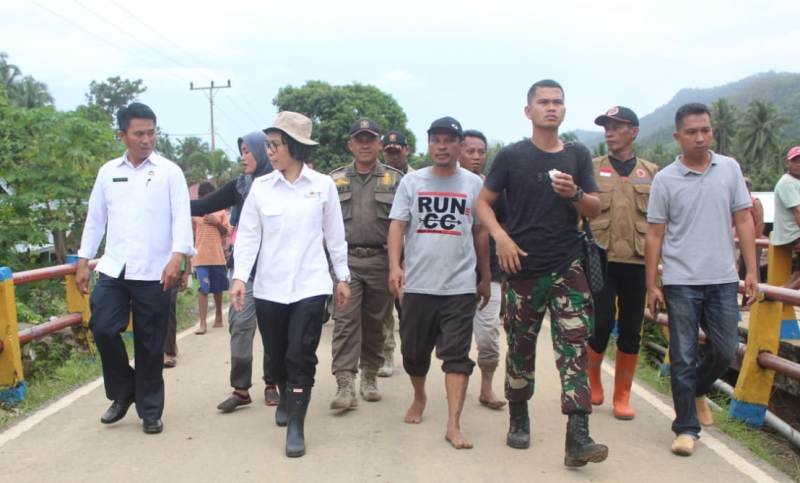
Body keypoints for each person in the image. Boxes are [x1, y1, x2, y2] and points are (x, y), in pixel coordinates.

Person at [475, 79, 608, 467]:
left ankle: (578, 435)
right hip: (522, 268)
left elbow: (595, 207)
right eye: (544, 102)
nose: (551, 107)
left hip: (568, 264)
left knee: (574, 347)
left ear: (564, 110)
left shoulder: (578, 154)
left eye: (557, 102)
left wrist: (575, 194)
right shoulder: (512, 156)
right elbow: (482, 204)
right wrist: (501, 237)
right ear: (528, 111)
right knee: (520, 346)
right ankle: (518, 416)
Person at [232, 111, 350, 457]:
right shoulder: (261, 188)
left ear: (295, 147)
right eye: (268, 144)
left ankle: (297, 424)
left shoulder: (322, 186)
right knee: (276, 354)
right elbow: (248, 236)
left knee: (301, 354)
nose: (269, 151)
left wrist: (342, 277)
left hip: (310, 286)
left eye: (275, 145)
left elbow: (335, 236)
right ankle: (284, 394)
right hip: (269, 288)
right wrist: (239, 276)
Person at [645, 102, 758, 457]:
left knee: (726, 349)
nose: (700, 138)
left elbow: (744, 219)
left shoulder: (730, 169)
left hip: (723, 277)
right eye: (691, 132)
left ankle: (697, 389)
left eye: (705, 130)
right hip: (680, 279)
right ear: (678, 136)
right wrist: (652, 284)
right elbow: (654, 234)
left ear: (712, 131)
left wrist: (751, 271)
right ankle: (685, 428)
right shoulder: (665, 179)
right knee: (683, 353)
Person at [75, 102, 194, 434]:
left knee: (150, 344)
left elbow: (181, 218)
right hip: (115, 268)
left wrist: (178, 257)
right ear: (122, 136)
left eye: (151, 133)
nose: (146, 140)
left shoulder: (170, 172)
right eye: (139, 134)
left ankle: (150, 410)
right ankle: (124, 390)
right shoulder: (108, 172)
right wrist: (83, 260)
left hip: (156, 271)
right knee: (102, 327)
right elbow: (95, 219)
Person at [388, 116, 490, 449]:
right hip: (418, 284)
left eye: (449, 140)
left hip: (459, 286)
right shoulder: (412, 182)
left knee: (457, 356)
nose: (442, 146)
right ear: (429, 144)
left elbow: (480, 232)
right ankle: (419, 396)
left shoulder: (473, 184)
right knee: (413, 353)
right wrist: (394, 267)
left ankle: (453, 424)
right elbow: (397, 226)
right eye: (436, 140)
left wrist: (485, 276)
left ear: (459, 146)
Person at [190, 132, 279, 410]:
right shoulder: (240, 186)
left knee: (273, 330)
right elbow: (204, 205)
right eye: (241, 152)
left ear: (263, 151)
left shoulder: (281, 183)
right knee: (240, 325)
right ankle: (241, 389)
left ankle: (272, 383)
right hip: (245, 271)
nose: (243, 157)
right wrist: (169, 202)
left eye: (248, 151)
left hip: (277, 270)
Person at [586, 106, 658, 420]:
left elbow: (661, 223)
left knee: (631, 328)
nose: (610, 132)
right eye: (606, 127)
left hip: (638, 262)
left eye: (617, 126)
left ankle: (622, 395)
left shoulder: (652, 172)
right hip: (600, 258)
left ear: (634, 131)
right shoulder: (591, 168)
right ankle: (592, 377)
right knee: (601, 322)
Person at [328, 119, 403, 409]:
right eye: (359, 139)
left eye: (370, 139)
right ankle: (345, 383)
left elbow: (405, 225)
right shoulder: (333, 180)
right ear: (350, 144)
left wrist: (400, 266)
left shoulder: (396, 180)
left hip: (381, 260)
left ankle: (369, 376)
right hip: (345, 262)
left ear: (379, 144)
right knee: (345, 322)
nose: (364, 145)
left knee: (375, 323)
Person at [461, 129, 505, 410]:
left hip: (492, 273)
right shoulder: (449, 186)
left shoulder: (496, 189)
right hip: (456, 274)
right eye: (470, 151)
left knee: (488, 335)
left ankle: (486, 387)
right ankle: (458, 385)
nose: (476, 157)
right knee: (458, 337)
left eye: (481, 152)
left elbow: (506, 229)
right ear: (458, 152)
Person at [377, 129, 412, 377]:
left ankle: (412, 353)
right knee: (383, 311)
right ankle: (386, 355)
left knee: (409, 309)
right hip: (384, 252)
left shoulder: (418, 179)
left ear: (406, 150)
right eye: (388, 151)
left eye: (396, 151)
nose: (392, 156)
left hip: (411, 254)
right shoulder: (378, 178)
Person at [192, 181, 231, 335]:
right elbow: (191, 234)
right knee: (203, 288)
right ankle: (202, 323)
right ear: (200, 197)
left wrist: (217, 223)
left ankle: (219, 315)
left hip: (217, 256)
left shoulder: (221, 212)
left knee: (218, 289)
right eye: (205, 198)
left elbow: (227, 232)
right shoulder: (195, 212)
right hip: (200, 257)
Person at [770, 146, 800, 288]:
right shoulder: (787, 183)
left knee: (798, 275)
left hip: (794, 234)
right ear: (788, 163)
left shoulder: (795, 182)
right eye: (795, 161)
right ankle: (778, 296)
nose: (799, 164)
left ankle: (776, 296)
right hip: (792, 235)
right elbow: (798, 212)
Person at [163, 258, 191, 368]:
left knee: (168, 305)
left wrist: (186, 273)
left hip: (173, 268)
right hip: (149, 270)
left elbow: (187, 251)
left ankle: (167, 352)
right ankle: (170, 343)